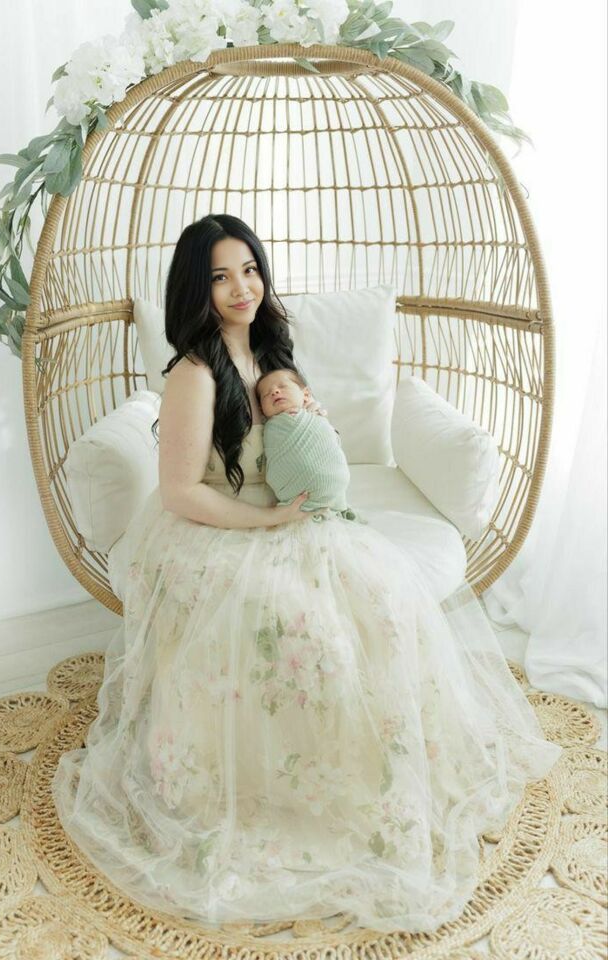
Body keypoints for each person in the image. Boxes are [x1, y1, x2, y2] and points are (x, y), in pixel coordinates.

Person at [52, 213, 563, 934]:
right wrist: (265, 523)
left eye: (250, 269)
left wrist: (312, 426)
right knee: (299, 632)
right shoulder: (195, 374)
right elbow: (181, 493)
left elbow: (298, 446)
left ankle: (372, 776)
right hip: (216, 527)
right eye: (221, 276)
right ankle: (284, 792)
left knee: (381, 600)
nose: (242, 288)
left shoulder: (268, 351)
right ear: (196, 289)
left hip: (284, 512)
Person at [255, 367, 362, 520]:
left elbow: (331, 440)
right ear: (261, 409)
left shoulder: (315, 416)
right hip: (293, 495)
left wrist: (320, 420)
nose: (274, 392)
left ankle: (334, 504)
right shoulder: (271, 428)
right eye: (266, 394)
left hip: (334, 480)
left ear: (305, 395)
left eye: (282, 386)